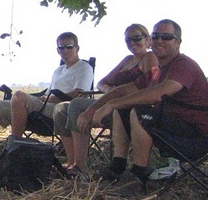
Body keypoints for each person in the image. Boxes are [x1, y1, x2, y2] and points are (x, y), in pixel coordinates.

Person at [77, 19, 208, 185]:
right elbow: (123, 90)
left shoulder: (184, 65)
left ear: (178, 42)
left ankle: (138, 174)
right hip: (175, 129)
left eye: (166, 36)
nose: (159, 40)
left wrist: (112, 104)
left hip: (196, 136)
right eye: (156, 36)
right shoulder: (157, 71)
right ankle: (118, 166)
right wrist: (92, 110)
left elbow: (157, 94)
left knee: (140, 111)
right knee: (123, 108)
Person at [0, 32, 94, 151]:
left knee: (19, 96)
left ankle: (14, 147)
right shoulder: (58, 71)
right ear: (57, 50)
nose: (65, 50)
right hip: (43, 105)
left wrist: (52, 98)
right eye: (61, 47)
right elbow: (46, 94)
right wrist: (43, 98)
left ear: (77, 48)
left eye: (69, 46)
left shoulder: (84, 68)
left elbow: (79, 95)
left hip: (61, 111)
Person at [54, 24, 158, 176]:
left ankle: (80, 165)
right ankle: (75, 163)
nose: (132, 42)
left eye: (137, 38)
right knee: (63, 108)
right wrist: (109, 90)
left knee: (76, 104)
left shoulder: (149, 57)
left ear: (148, 40)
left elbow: (145, 87)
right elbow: (101, 83)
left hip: (128, 107)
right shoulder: (127, 60)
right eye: (128, 39)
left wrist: (112, 96)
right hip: (111, 101)